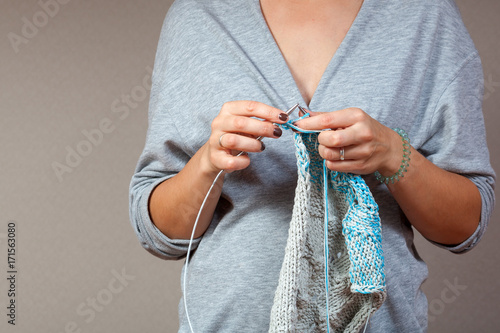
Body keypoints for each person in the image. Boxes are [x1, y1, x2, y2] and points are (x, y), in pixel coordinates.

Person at [129, 0, 496, 331]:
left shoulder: (425, 16)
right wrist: (208, 163)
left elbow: (465, 226)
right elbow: (158, 233)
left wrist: (394, 155)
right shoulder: (197, 17)